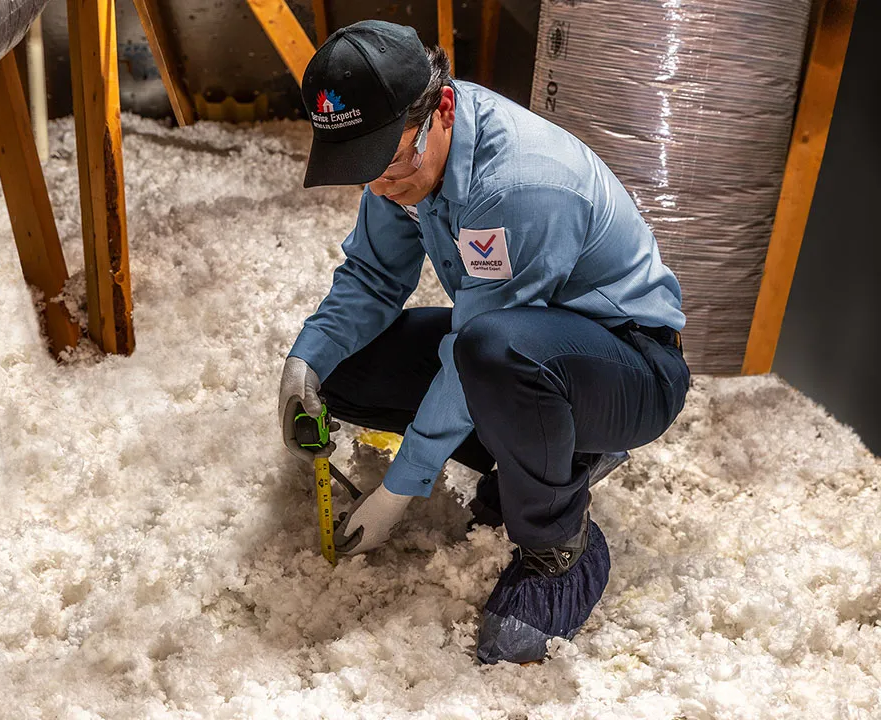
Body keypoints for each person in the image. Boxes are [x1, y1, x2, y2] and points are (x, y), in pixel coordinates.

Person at [277, 20, 690, 664]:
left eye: (388, 159)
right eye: (364, 168)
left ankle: (559, 549)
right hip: (517, 345)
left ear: (441, 107)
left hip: (629, 366)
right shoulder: (406, 165)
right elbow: (372, 277)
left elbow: (479, 345)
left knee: (493, 351)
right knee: (346, 369)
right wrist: (305, 363)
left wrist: (400, 488)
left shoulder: (518, 184)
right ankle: (550, 453)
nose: (381, 185)